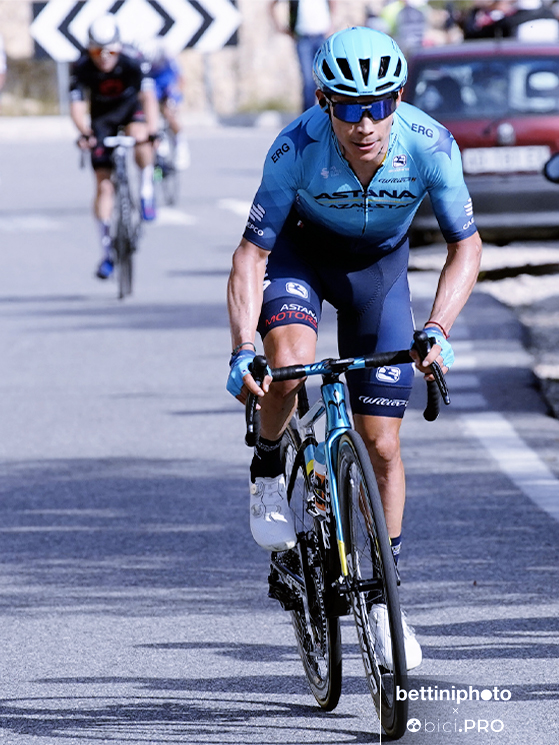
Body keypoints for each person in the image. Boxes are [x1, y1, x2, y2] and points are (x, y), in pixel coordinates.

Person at [226, 26, 482, 668]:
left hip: (378, 276)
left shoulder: (430, 144)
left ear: (399, 98)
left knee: (383, 445)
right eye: (348, 107)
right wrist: (240, 347)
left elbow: (466, 246)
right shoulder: (295, 148)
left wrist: (438, 328)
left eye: (380, 105)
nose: (365, 123)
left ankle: (386, 598)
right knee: (288, 369)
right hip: (302, 261)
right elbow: (250, 255)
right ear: (323, 101)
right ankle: (266, 468)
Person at [69, 14, 159, 280]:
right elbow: (77, 105)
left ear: (119, 47)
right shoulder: (82, 66)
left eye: (110, 51)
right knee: (104, 186)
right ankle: (107, 251)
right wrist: (84, 132)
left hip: (131, 111)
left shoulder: (133, 59)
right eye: (97, 51)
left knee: (141, 136)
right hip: (102, 120)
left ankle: (146, 188)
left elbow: (148, 97)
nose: (104, 57)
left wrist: (153, 129)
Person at [270, 0, 335, 111]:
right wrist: (279, 26)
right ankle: (308, 115)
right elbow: (272, 5)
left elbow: (333, 2)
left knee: (327, 78)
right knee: (308, 81)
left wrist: (331, 23)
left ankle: (330, 113)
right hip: (304, 39)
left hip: (322, 37)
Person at [139, 39, 190, 170]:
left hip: (167, 80)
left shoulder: (166, 52)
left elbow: (180, 78)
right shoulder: (140, 56)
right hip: (151, 80)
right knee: (150, 110)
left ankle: (180, 143)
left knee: (169, 112)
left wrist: (174, 95)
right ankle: (160, 140)